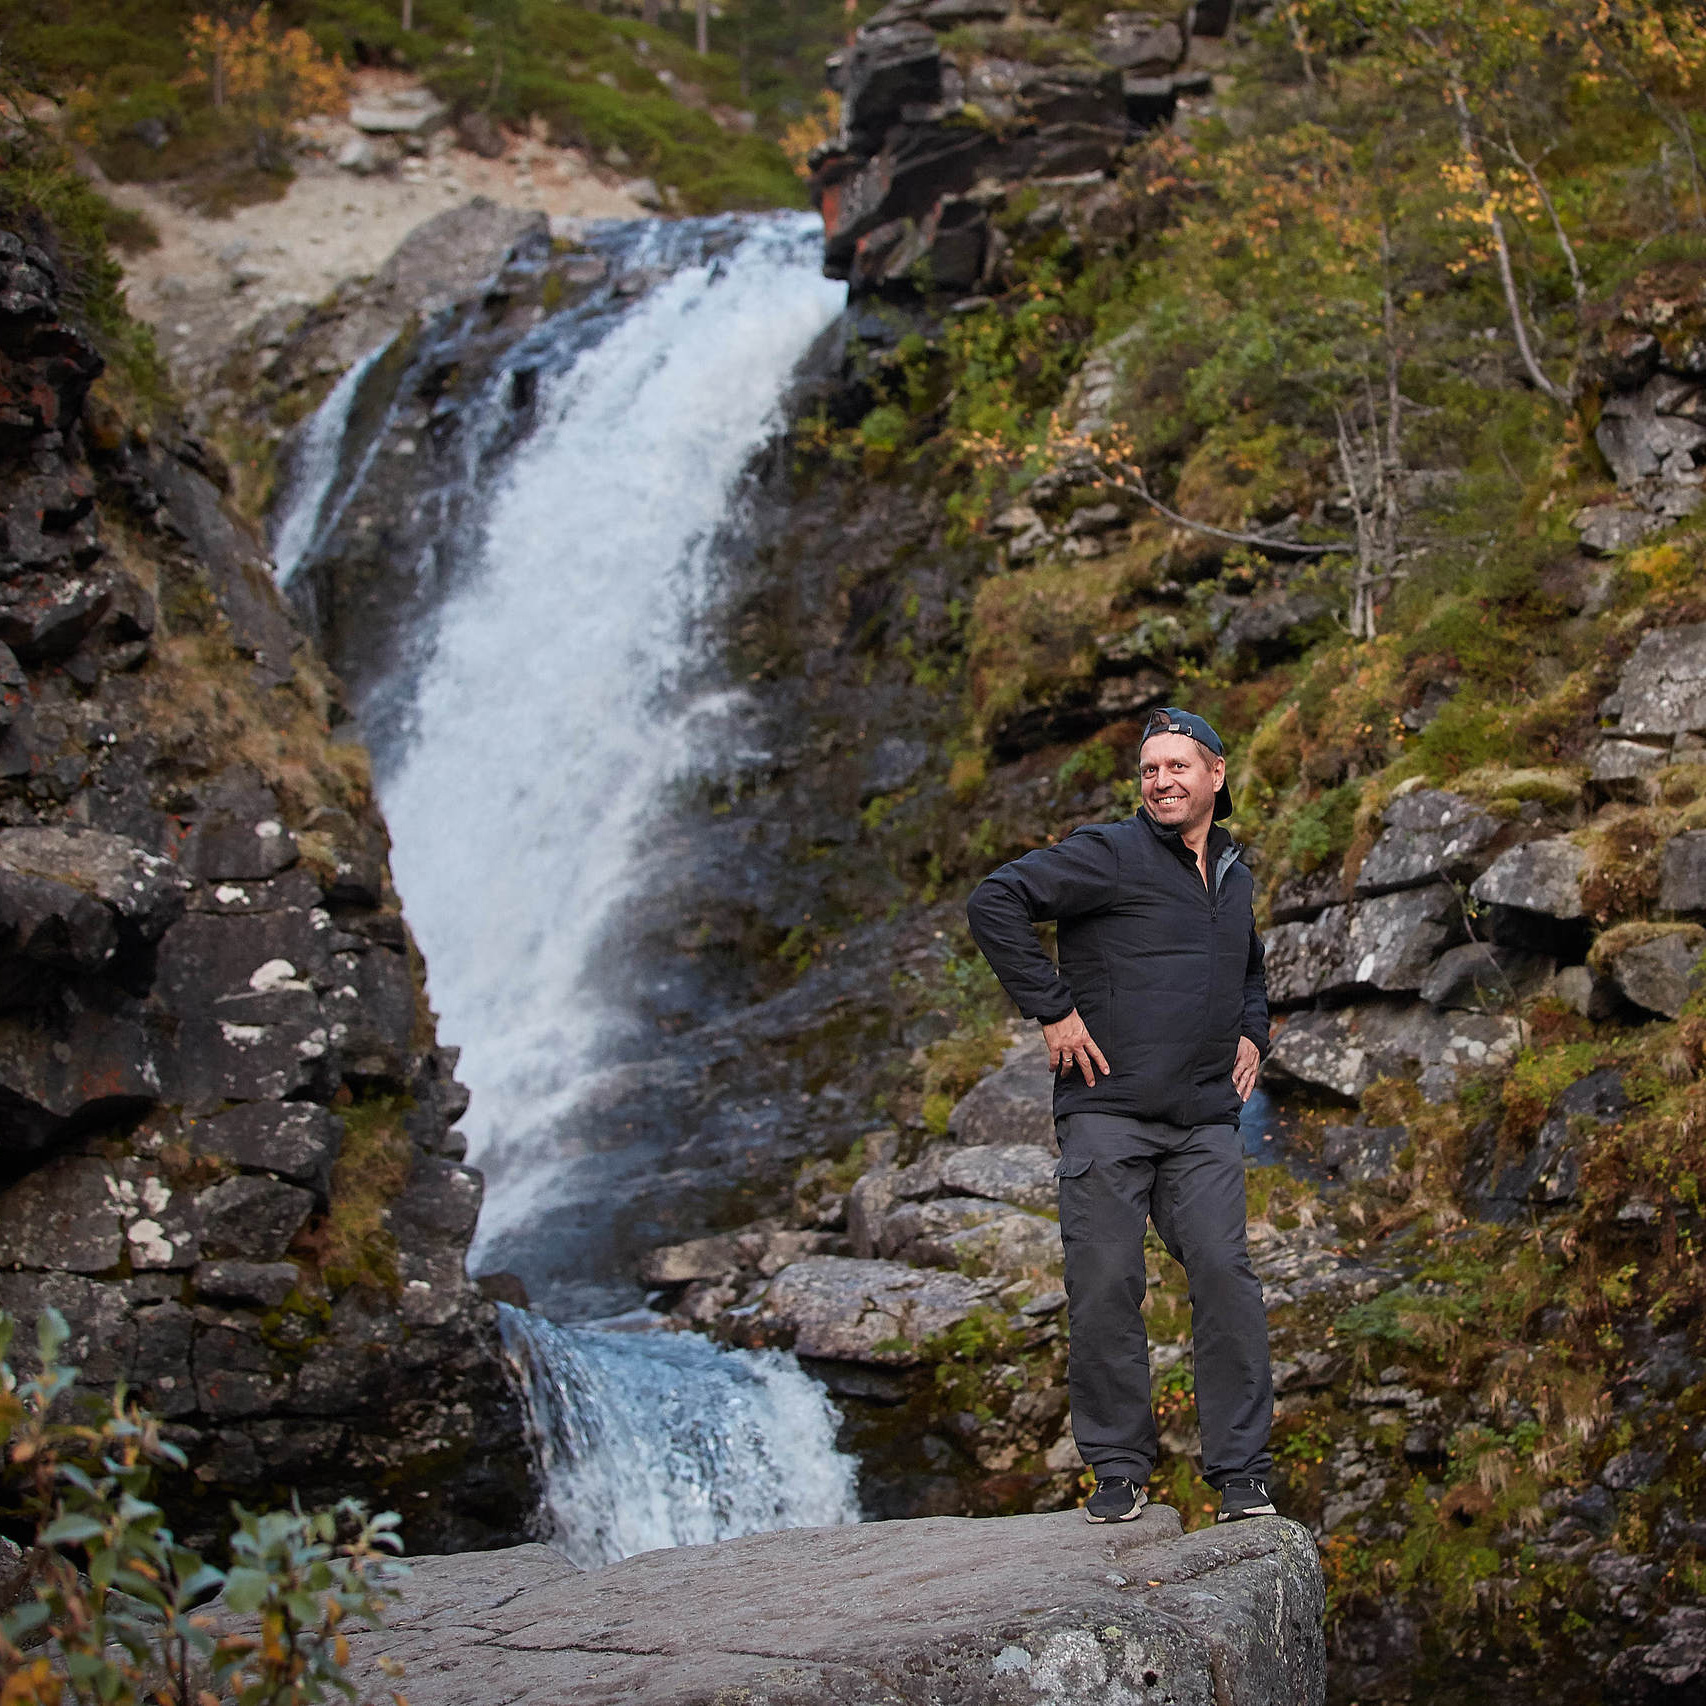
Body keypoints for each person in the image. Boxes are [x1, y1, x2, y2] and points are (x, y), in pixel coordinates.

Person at [965, 706, 1276, 1524]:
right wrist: (1053, 1010)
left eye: (1178, 767)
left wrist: (1255, 1033)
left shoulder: (1235, 873)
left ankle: (1241, 1473)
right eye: (1150, 770)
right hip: (1110, 1112)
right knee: (1105, 1283)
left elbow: (1248, 965)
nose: (1162, 781)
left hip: (1206, 1117)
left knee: (1225, 1278)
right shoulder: (1108, 853)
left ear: (1217, 774)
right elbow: (996, 900)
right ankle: (1119, 1469)